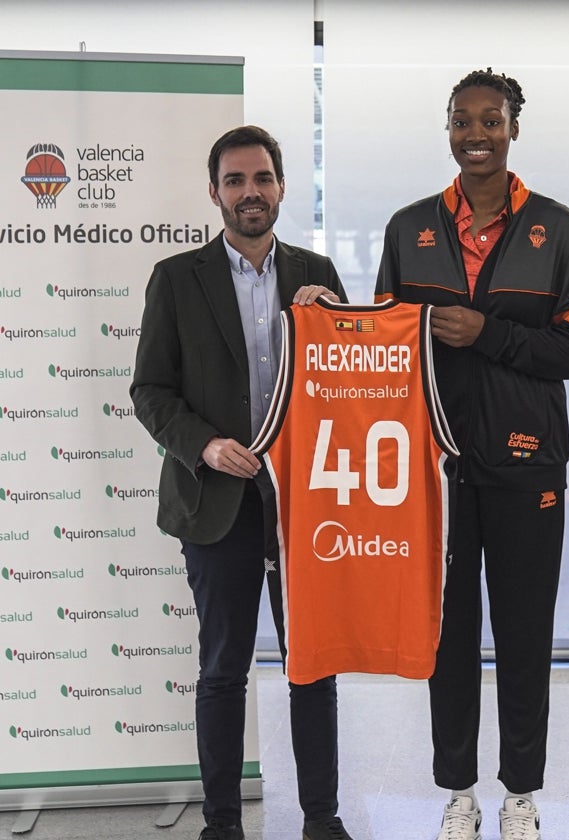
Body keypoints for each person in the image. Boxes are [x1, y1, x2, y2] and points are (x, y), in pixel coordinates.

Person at [374, 69, 569, 840]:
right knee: (446, 633)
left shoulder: (559, 229)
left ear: (513, 128)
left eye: (491, 121)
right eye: (462, 121)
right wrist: (324, 315)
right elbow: (380, 344)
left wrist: (489, 333)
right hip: (435, 469)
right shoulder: (408, 228)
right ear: (447, 129)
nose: (477, 134)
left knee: (523, 631)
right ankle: (459, 793)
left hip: (527, 461)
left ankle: (521, 794)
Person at [131, 125, 354, 840]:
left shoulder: (316, 272)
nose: (249, 192)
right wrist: (207, 445)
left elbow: (351, 391)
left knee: (312, 668)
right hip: (216, 502)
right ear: (215, 193)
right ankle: (222, 825)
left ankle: (321, 819)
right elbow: (151, 392)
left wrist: (339, 326)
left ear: (282, 187)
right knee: (223, 669)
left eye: (261, 178)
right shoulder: (177, 278)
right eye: (235, 181)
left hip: (305, 506)